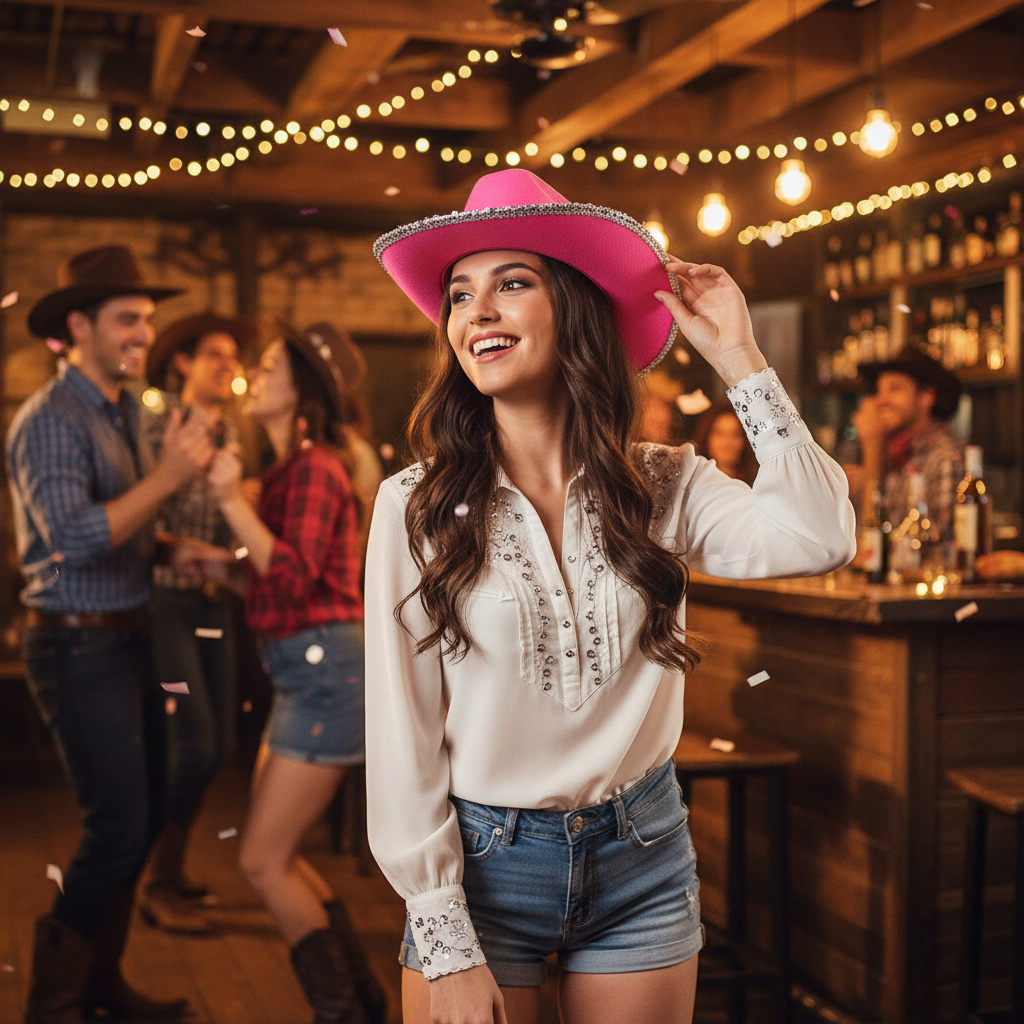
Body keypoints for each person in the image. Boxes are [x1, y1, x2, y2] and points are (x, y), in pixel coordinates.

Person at [365, 168, 856, 1024]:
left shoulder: (663, 482)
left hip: (644, 852)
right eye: (459, 295)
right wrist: (439, 923)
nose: (477, 311)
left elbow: (820, 535)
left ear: (578, 309)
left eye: (512, 283)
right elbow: (399, 726)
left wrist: (740, 358)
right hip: (481, 865)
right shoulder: (415, 504)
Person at [7, 245, 216, 1023]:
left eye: (147, 319)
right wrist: (170, 478)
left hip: (129, 636)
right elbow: (66, 538)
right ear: (77, 327)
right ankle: (50, 1003)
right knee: (117, 826)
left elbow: (122, 526)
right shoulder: (49, 420)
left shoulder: (124, 411)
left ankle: (101, 983)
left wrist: (183, 550)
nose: (143, 333)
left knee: (152, 805)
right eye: (129, 319)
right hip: (74, 643)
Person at [180, 322, 385, 1024]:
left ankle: (348, 1013)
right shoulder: (295, 468)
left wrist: (228, 496)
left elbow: (295, 578)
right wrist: (217, 565)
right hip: (306, 669)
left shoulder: (316, 468)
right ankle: (363, 1001)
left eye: (269, 366)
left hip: (325, 673)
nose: (255, 376)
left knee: (262, 862)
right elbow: (279, 574)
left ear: (304, 390)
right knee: (281, 855)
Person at [138, 312, 256, 934]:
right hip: (165, 611)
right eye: (215, 354)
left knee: (219, 746)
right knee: (194, 741)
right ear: (182, 362)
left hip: (216, 608)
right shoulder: (156, 426)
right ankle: (152, 882)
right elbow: (136, 522)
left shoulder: (231, 433)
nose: (228, 365)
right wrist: (182, 547)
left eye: (233, 356)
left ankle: (170, 869)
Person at [848, 347, 964, 535]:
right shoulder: (896, 454)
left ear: (927, 397)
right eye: (879, 390)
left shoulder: (945, 455)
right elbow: (862, 538)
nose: (881, 400)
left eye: (895, 388)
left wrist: (872, 444)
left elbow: (939, 542)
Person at [690, 400, 758, 486]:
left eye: (735, 435)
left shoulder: (756, 487)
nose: (728, 442)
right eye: (720, 433)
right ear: (707, 437)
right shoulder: (693, 486)